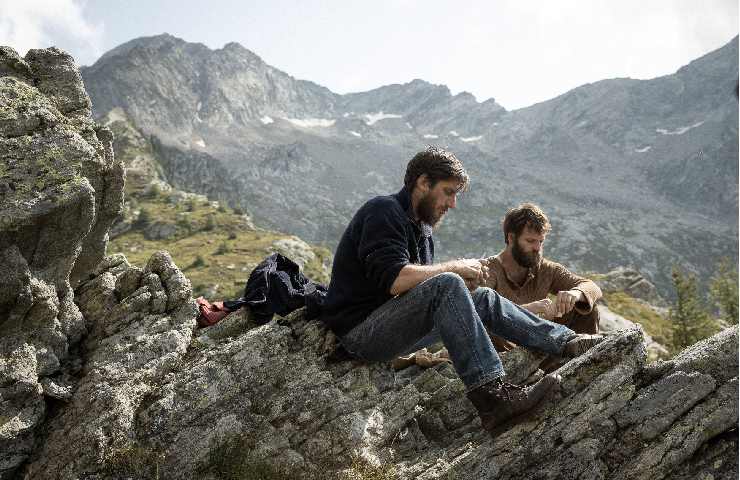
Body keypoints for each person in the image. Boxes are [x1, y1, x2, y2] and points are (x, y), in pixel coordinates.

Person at [320, 146, 603, 438]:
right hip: (360, 334)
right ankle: (494, 398)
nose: (453, 203)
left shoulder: (423, 231)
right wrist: (453, 271)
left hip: (389, 327)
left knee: (481, 298)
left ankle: (568, 343)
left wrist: (457, 292)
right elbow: (394, 280)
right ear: (423, 182)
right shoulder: (383, 211)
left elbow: (412, 294)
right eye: (448, 192)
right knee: (448, 283)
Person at [483, 203, 602, 353]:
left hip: (538, 350)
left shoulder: (545, 268)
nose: (537, 248)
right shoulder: (487, 270)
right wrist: (528, 310)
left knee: (587, 308)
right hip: (500, 355)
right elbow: (477, 312)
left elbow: (592, 287)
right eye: (530, 241)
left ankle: (584, 367)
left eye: (541, 241)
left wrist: (575, 294)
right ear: (511, 238)